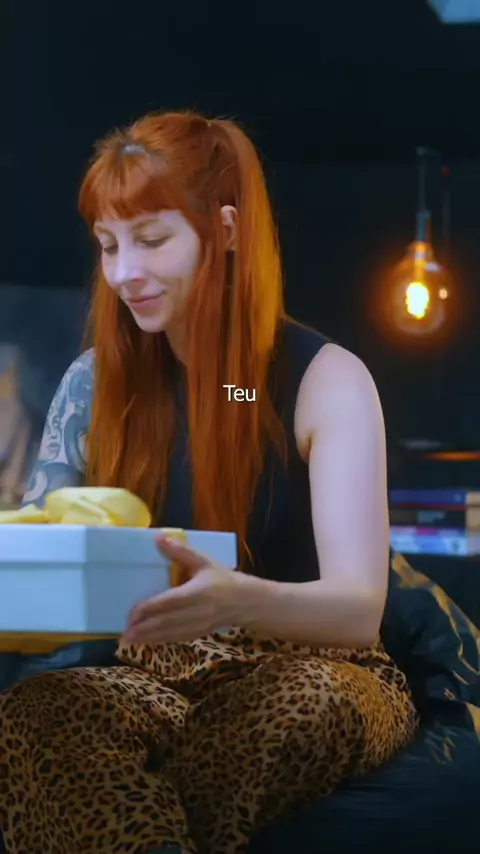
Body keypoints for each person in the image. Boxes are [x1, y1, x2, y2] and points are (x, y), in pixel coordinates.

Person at [0, 110, 418, 854]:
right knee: (37, 712)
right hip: (157, 678)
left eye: (152, 239)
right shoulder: (95, 384)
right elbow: (39, 562)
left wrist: (238, 601)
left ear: (222, 231)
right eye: (108, 246)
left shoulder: (322, 380)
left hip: (323, 668)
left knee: (295, 703)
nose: (124, 273)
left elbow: (359, 611)